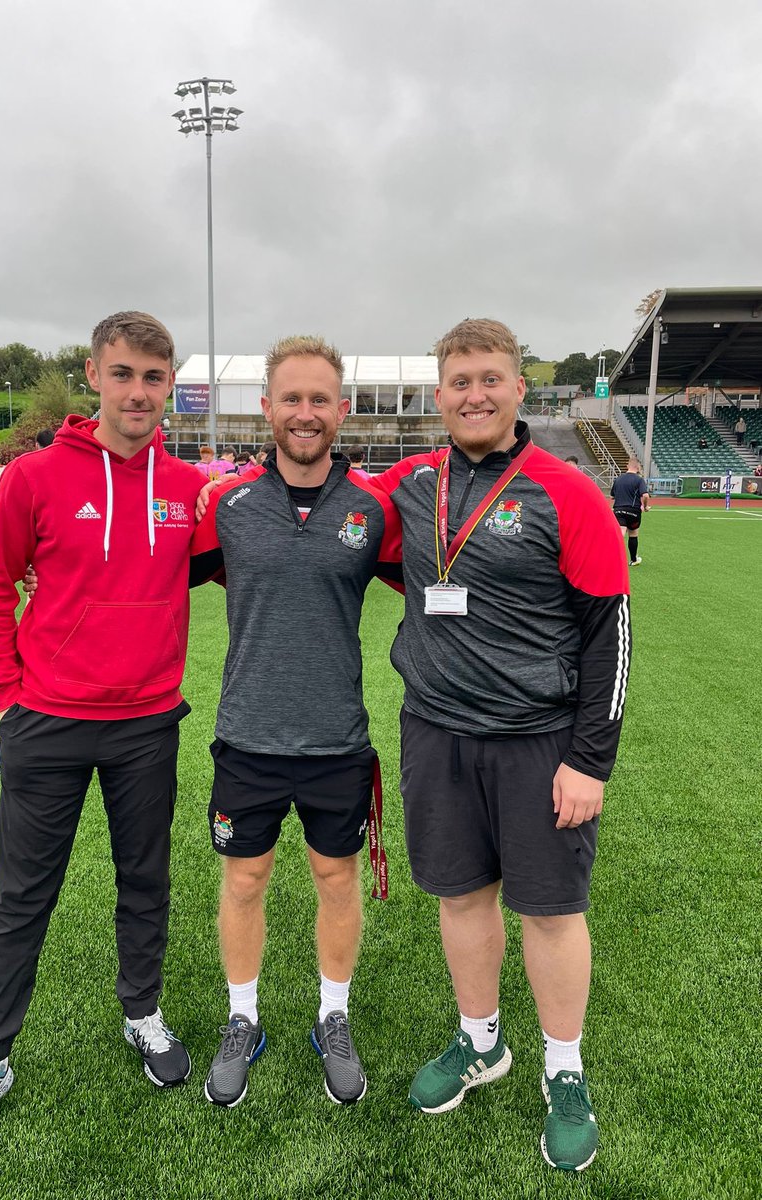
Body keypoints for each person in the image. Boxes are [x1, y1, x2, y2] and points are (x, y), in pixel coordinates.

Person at [0, 312, 204, 1153]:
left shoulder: (191, 486)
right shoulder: (34, 477)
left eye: (154, 378)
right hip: (46, 721)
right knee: (21, 897)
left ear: (170, 385)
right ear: (94, 374)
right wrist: (9, 697)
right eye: (123, 373)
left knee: (145, 880)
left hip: (147, 724)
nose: (138, 392)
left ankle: (144, 1014)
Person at [372, 319, 631, 1173]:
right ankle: (482, 1042)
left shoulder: (569, 491)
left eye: (491, 379)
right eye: (459, 382)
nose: (475, 394)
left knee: (552, 912)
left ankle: (564, 1068)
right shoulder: (412, 484)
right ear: (437, 395)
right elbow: (329, 519)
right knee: (460, 897)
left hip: (538, 740)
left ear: (521, 389)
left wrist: (590, 759)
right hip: (438, 735)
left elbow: (609, 632)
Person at [191, 336, 402, 1109]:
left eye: (320, 399)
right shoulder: (230, 505)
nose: (305, 413)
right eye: (291, 398)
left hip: (336, 739)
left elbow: (436, 586)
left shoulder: (374, 511)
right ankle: (242, 1020)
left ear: (340, 410)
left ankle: (332, 1018)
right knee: (244, 878)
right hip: (246, 734)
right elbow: (149, 577)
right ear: (267, 407)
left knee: (334, 877)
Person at [610, 458, 650, 566]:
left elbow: (612, 495)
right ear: (638, 468)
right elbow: (645, 495)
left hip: (618, 510)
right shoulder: (639, 480)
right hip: (633, 511)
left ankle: (609, 557)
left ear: (627, 466)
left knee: (620, 533)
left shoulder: (618, 479)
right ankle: (633, 560)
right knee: (633, 534)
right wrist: (645, 506)